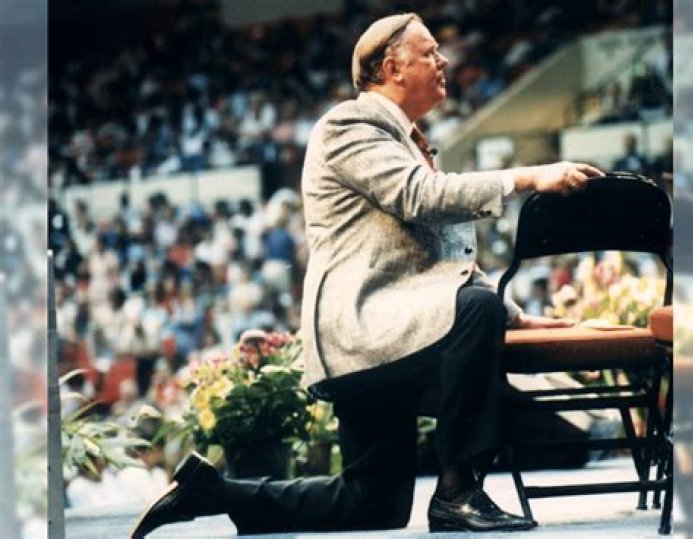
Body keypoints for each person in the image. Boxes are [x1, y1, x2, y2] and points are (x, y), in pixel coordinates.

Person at [131, 13, 602, 537]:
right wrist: (526, 176)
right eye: (430, 52)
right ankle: (459, 493)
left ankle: (213, 492)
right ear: (392, 68)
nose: (444, 60)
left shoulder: (404, 139)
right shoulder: (350, 126)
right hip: (366, 331)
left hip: (392, 325)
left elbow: (444, 256)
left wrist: (516, 317)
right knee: (476, 309)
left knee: (371, 503)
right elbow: (419, 197)